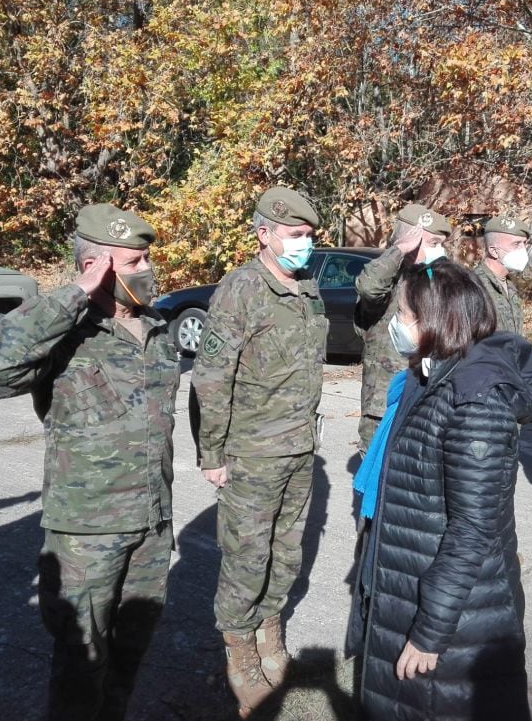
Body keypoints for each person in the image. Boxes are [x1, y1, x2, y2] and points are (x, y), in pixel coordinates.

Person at [0, 203, 178, 721]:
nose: (147, 270)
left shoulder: (157, 330)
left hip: (153, 523)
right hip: (87, 529)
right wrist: (75, 294)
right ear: (97, 266)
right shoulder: (65, 332)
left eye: (147, 258)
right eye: (132, 262)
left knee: (132, 647)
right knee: (81, 658)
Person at [355, 262, 532, 721]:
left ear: (435, 319)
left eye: (404, 313)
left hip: (455, 611)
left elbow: (472, 528)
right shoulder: (431, 375)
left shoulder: (474, 399)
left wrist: (430, 631)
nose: (396, 323)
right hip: (413, 577)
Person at [188, 186, 326, 718]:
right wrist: (212, 455)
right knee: (247, 558)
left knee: (287, 552)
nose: (305, 245)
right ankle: (239, 652)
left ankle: (271, 633)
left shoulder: (308, 286)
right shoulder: (241, 288)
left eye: (309, 236)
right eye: (296, 236)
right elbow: (211, 378)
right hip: (251, 452)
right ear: (264, 234)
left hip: (298, 448)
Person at [354, 203, 451, 453]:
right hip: (385, 401)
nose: (440, 250)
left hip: (426, 396)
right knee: (378, 477)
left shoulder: (435, 281)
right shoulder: (389, 280)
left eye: (442, 243)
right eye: (432, 242)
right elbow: (369, 287)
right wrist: (399, 249)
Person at [473, 214, 529, 333]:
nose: (523, 249)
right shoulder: (474, 286)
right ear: (494, 251)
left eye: (525, 243)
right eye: (516, 244)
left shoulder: (509, 284)